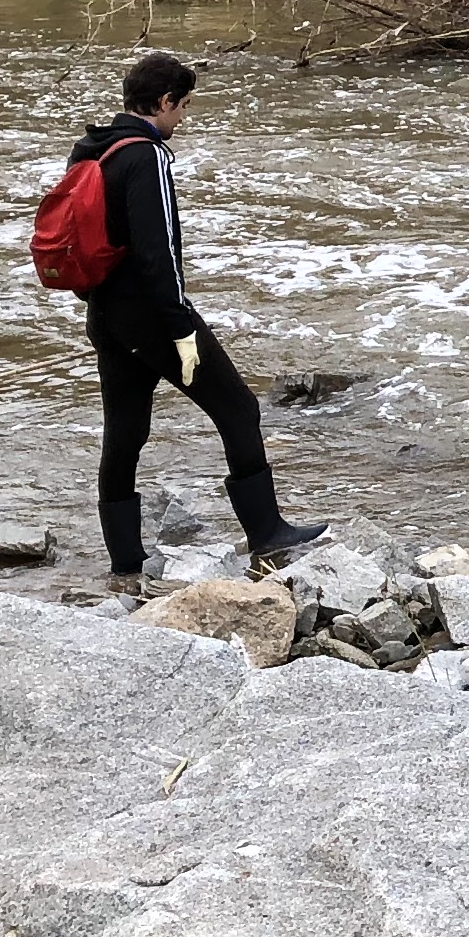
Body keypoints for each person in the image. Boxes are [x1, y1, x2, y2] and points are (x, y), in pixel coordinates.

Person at [66, 49, 330, 591]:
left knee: (125, 432)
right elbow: (157, 249)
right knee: (238, 407)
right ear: (163, 102)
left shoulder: (93, 150)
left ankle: (125, 562)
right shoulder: (147, 157)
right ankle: (268, 531)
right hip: (155, 319)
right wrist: (180, 325)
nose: (182, 118)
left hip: (106, 315)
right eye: (182, 106)